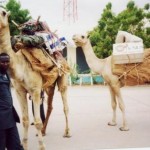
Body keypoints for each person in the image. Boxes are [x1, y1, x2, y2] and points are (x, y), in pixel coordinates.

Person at [0, 53, 24, 150]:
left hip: (10, 116)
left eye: (7, 61)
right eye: (2, 62)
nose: (5, 64)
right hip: (1, 119)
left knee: (15, 145)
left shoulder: (6, 74)